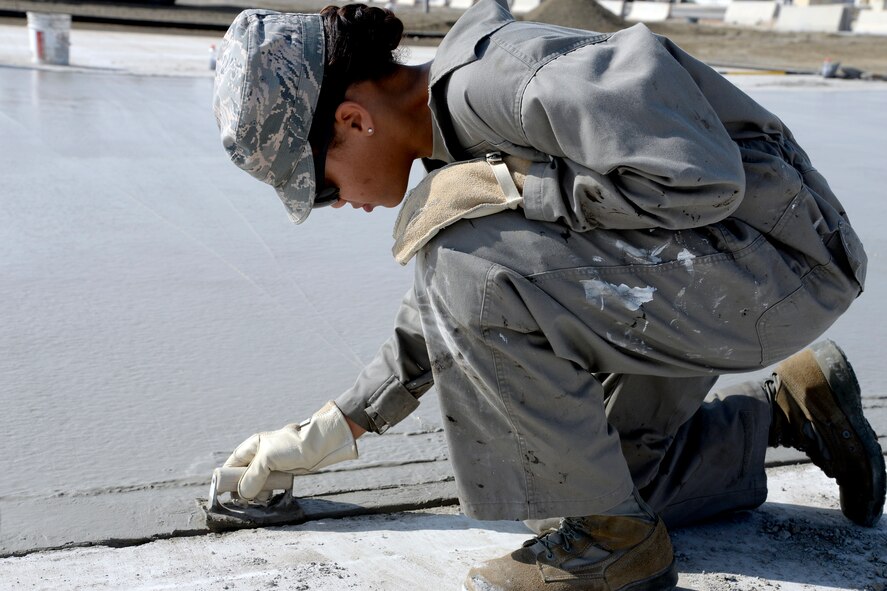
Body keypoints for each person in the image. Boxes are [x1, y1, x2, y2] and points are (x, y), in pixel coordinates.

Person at [211, 2, 884, 589]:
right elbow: (445, 306)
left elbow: (701, 180)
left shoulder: (510, 78)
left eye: (321, 186)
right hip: (704, 269)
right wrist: (333, 427)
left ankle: (612, 542)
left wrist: (521, 186)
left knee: (465, 268)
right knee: (591, 479)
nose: (341, 204)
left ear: (354, 120)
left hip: (778, 263)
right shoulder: (449, 128)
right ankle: (790, 411)